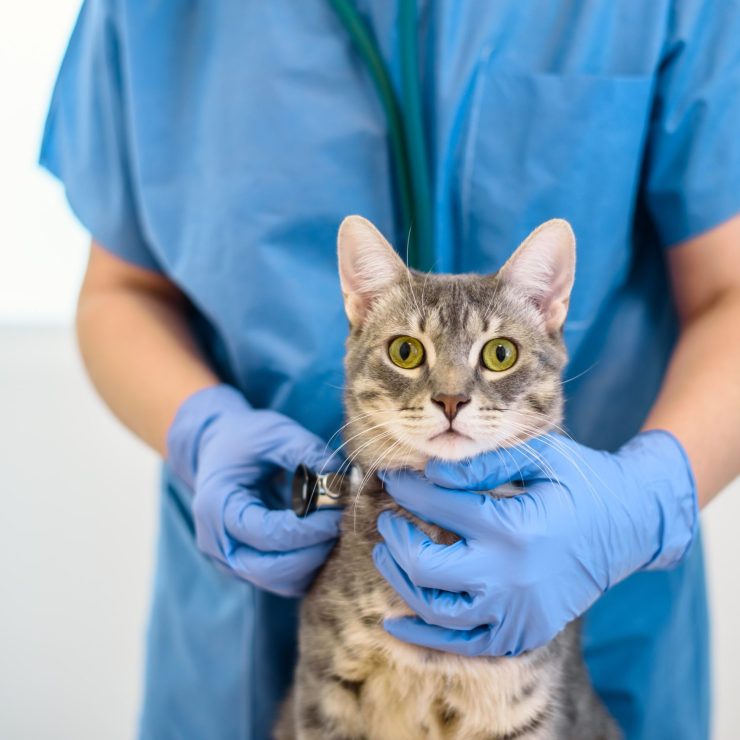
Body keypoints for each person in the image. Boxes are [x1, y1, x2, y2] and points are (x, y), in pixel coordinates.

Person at [41, 1, 740, 738]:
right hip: (255, 609)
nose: (448, 397)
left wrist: (645, 499)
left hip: (586, 593)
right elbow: (121, 290)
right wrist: (200, 431)